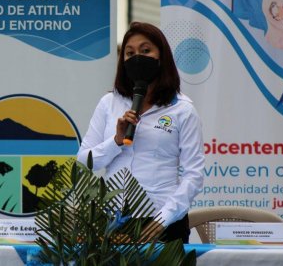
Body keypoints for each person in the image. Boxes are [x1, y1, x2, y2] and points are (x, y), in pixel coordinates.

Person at [77, 22, 205, 243]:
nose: (137, 57)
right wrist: (116, 141)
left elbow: (193, 174)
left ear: (161, 57)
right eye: (130, 53)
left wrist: (163, 219)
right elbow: (85, 162)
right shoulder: (109, 103)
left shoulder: (182, 109)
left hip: (162, 221)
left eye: (145, 51)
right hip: (112, 221)